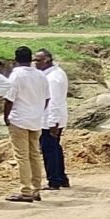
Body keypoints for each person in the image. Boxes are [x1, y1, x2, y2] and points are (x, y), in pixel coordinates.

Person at [0, 46, 53, 204]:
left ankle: (26, 191)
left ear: (16, 59)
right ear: (31, 59)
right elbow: (47, 98)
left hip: (19, 119)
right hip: (35, 120)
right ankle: (36, 189)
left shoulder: (16, 75)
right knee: (34, 155)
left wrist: (6, 117)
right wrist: (38, 111)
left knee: (22, 156)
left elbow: (9, 99)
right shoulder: (41, 75)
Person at [36, 49, 71, 191]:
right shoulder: (55, 73)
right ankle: (61, 178)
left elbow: (54, 101)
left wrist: (52, 122)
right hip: (54, 117)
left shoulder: (53, 78)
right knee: (55, 147)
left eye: (38, 60)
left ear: (47, 60)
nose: (35, 63)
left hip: (51, 118)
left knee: (49, 149)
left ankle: (54, 180)